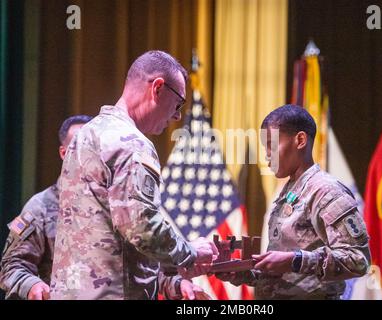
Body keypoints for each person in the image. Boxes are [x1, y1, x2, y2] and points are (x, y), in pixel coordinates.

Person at [50, 50, 218, 300]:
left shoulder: (87, 134)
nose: (177, 116)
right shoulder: (131, 144)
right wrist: (189, 251)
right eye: (178, 103)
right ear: (158, 88)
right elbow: (141, 227)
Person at [217, 105, 371, 299]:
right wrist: (243, 273)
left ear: (300, 140)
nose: (267, 156)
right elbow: (287, 275)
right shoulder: (287, 193)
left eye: (272, 146)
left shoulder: (327, 192)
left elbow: (358, 260)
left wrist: (296, 260)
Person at [0, 115, 92, 299]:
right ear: (64, 153)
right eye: (80, 147)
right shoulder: (40, 207)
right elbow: (11, 265)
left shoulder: (116, 204)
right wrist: (33, 285)